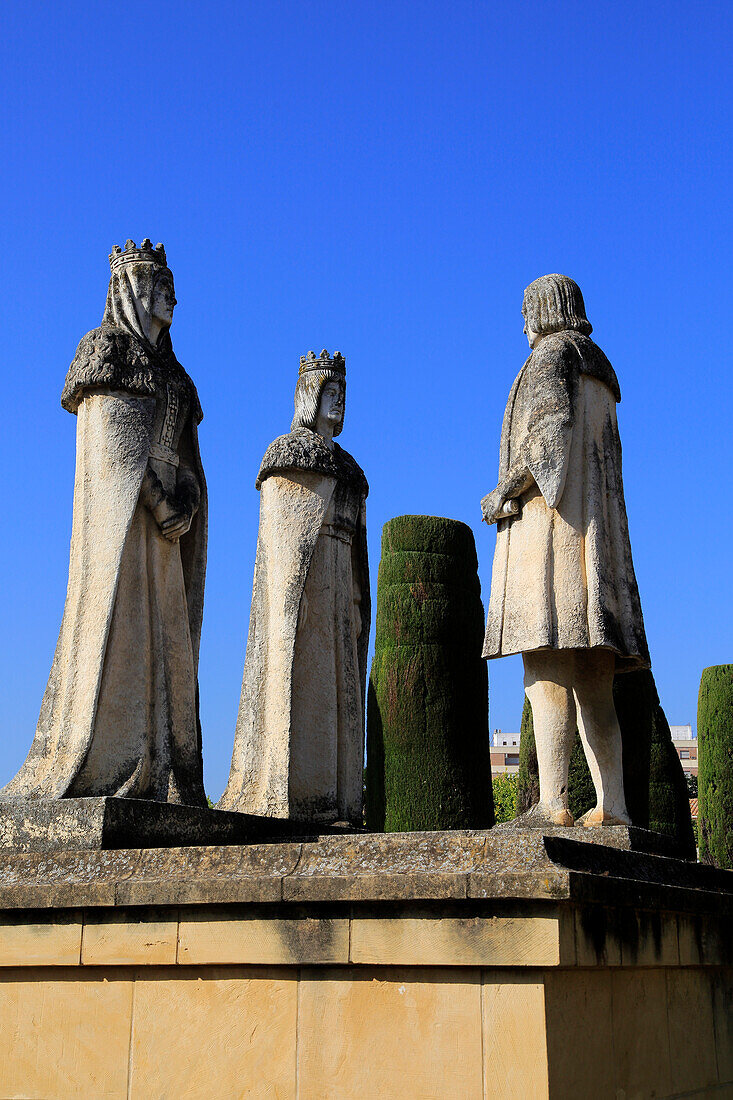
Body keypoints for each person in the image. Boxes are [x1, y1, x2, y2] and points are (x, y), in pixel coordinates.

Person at [1, 240, 207, 805]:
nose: (169, 293)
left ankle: (162, 771)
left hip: (166, 534)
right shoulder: (107, 352)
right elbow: (115, 455)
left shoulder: (180, 379)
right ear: (125, 289)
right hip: (126, 525)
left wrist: (184, 503)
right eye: (154, 281)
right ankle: (109, 766)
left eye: (169, 282)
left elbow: (188, 458)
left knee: (169, 650)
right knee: (119, 635)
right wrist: (161, 502)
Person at [481, 274, 649, 826]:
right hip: (596, 551)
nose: (524, 322)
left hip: (553, 539)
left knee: (544, 668)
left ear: (545, 309)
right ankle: (615, 807)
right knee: (595, 687)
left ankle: (551, 803)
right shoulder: (599, 370)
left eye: (527, 309)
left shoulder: (552, 357)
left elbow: (547, 444)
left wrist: (504, 490)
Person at [219, 350, 369, 824]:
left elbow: (360, 539)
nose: (338, 401)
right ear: (309, 394)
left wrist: (359, 596)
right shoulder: (288, 454)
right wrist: (292, 598)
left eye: (342, 393)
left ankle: (339, 799)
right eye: (329, 391)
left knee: (341, 694)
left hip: (342, 581)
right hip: (312, 583)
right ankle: (300, 794)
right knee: (307, 685)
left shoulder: (351, 469)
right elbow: (284, 541)